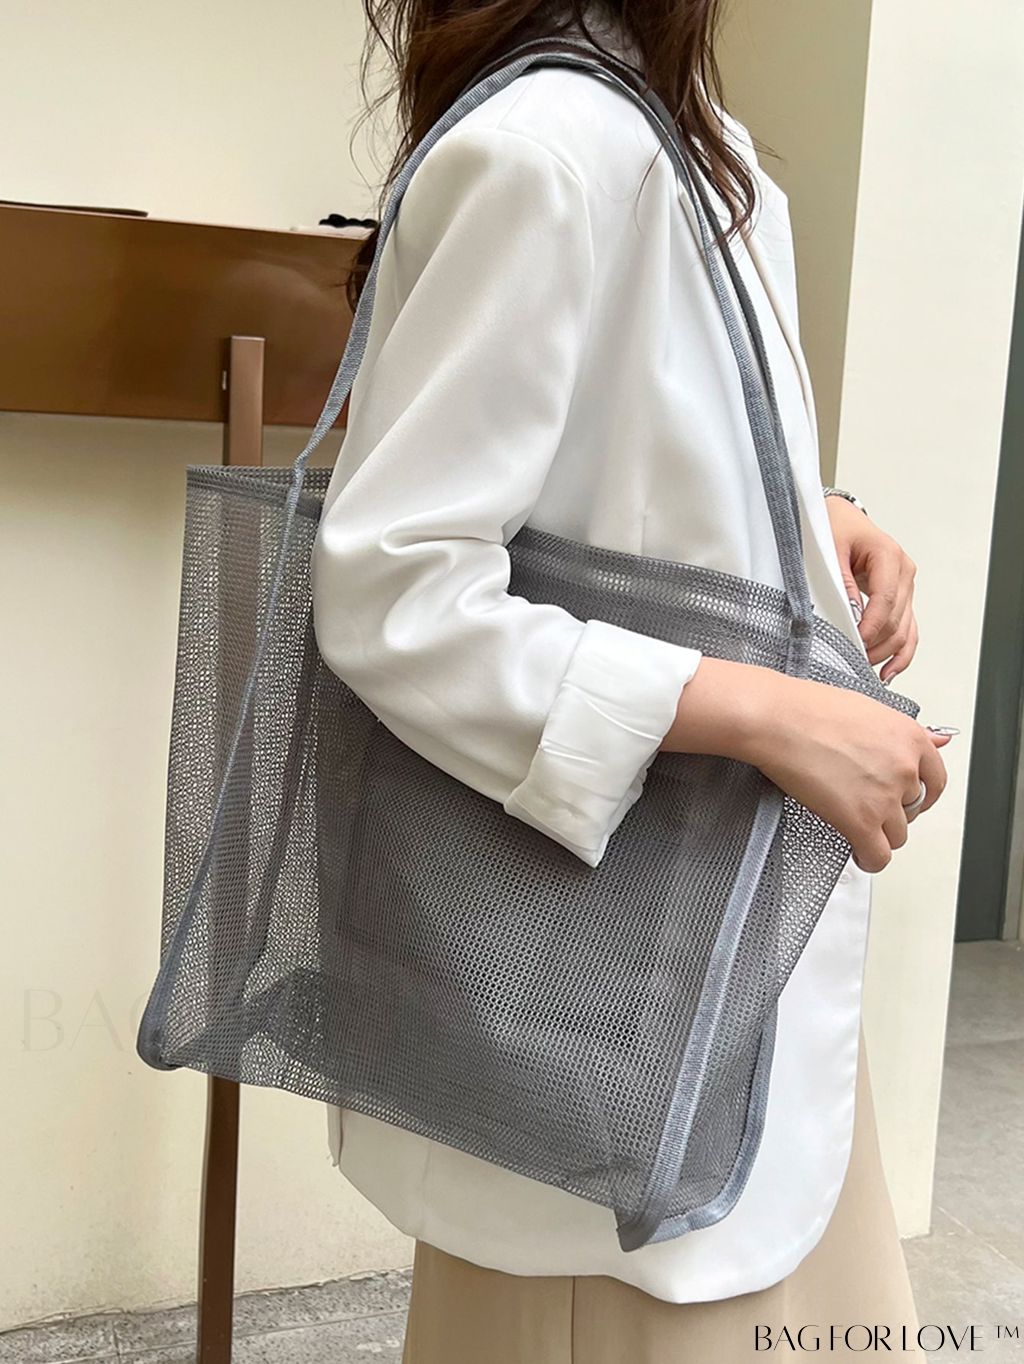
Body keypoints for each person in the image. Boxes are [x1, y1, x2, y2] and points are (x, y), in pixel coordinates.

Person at [309, 0, 953, 1358]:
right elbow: (395, 590)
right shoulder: (549, 147)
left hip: (725, 953)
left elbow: (628, 462)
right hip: (603, 1002)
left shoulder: (696, 139)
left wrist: (811, 516)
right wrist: (772, 714)